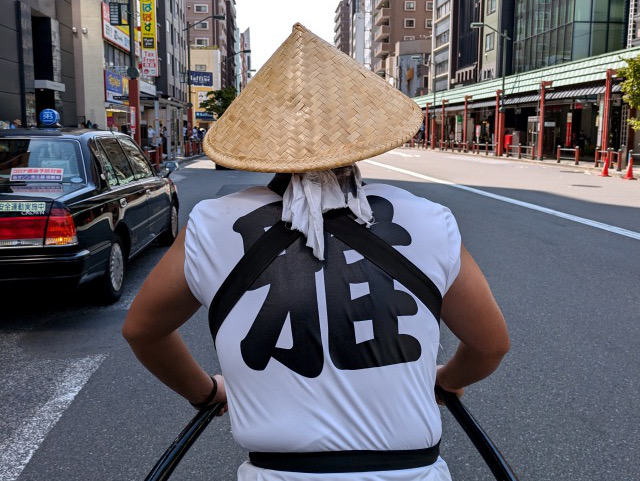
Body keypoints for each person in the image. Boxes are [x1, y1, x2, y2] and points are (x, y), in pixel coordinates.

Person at [123, 23, 509, 481]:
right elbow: (489, 344)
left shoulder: (211, 224)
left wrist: (206, 393)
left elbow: (142, 331)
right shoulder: (429, 218)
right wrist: (443, 380)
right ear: (361, 136)